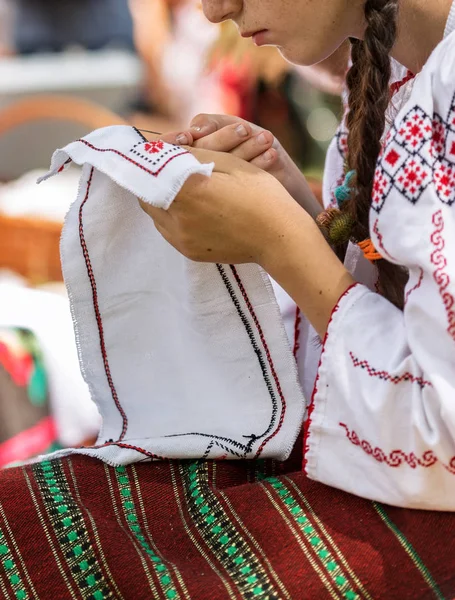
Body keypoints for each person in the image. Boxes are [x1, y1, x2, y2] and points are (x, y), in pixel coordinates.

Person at [0, 1, 454, 598]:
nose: (216, 10)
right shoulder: (395, 69)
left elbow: (440, 436)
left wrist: (280, 242)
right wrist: (307, 214)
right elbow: (405, 290)